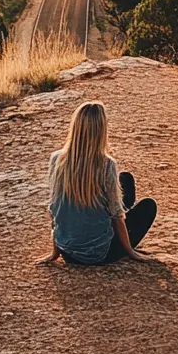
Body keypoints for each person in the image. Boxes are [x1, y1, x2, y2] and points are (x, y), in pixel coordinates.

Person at [40, 100, 157, 265]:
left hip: (67, 252)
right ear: (102, 130)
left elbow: (55, 208)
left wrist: (55, 252)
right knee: (148, 206)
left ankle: (90, 221)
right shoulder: (107, 164)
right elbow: (116, 214)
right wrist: (130, 251)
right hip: (100, 253)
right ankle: (98, 226)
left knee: (125, 179)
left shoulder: (56, 159)